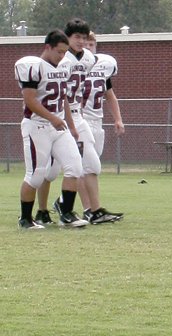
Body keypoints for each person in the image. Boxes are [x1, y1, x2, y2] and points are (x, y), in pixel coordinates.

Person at [35, 18, 121, 226]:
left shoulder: (89, 58)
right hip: (59, 116)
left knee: (90, 164)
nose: (81, 41)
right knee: (49, 170)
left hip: (77, 115)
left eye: (84, 37)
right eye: (77, 37)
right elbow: (53, 88)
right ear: (67, 38)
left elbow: (95, 87)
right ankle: (43, 210)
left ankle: (92, 210)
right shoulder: (62, 60)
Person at [15, 29, 87, 229]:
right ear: (48, 47)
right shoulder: (33, 66)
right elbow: (29, 100)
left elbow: (62, 96)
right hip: (37, 126)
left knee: (75, 167)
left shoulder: (64, 66)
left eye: (65, 52)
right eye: (59, 52)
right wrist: (52, 118)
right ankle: (25, 219)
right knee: (36, 175)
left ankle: (66, 215)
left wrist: (69, 124)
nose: (62, 56)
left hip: (58, 125)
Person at [79, 31, 125, 222]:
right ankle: (89, 209)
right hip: (80, 121)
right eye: (85, 45)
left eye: (92, 44)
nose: (89, 48)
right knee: (87, 167)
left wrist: (118, 119)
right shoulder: (74, 66)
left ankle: (67, 201)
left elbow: (110, 95)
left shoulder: (104, 65)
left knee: (90, 166)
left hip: (97, 121)